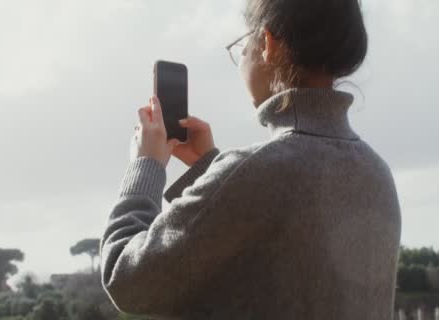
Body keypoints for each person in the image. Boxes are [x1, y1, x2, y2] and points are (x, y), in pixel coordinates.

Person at [99, 0, 402, 319]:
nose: (241, 56)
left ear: (268, 44)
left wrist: (144, 166)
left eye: (242, 44)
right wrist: (212, 169)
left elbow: (126, 280)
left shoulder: (256, 172)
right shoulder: (378, 174)